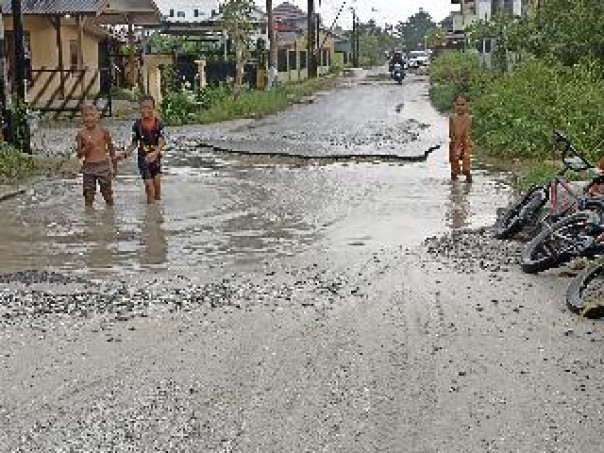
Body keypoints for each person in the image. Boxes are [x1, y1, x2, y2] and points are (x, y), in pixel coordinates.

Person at [123, 95, 166, 204]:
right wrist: (125, 153)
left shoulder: (159, 124)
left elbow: (162, 141)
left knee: (157, 183)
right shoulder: (137, 126)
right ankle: (150, 209)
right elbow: (134, 143)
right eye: (143, 108)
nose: (145, 110)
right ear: (139, 109)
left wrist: (155, 153)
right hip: (143, 159)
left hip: (156, 159)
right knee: (148, 185)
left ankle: (157, 207)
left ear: (154, 108)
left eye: (148, 107)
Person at [75, 104, 118, 207]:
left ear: (97, 117)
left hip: (103, 165)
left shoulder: (104, 132)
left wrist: (115, 167)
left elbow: (111, 149)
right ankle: (89, 219)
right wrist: (86, 148)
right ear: (82, 118)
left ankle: (110, 216)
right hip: (88, 167)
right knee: (88, 195)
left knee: (107, 194)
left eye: (92, 115)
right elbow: (79, 155)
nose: (89, 118)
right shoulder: (81, 134)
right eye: (86, 116)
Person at [449, 95, 473, 183]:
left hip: (465, 143)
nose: (460, 107)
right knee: (454, 167)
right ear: (454, 105)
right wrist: (454, 142)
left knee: (466, 168)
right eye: (458, 104)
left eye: (462, 105)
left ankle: (469, 182)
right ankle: (454, 185)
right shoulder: (452, 118)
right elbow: (451, 133)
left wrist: (466, 143)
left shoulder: (469, 118)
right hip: (455, 143)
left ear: (467, 105)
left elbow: (468, 132)